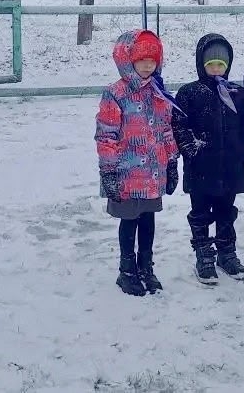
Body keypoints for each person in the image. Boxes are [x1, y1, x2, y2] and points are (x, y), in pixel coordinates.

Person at [95, 29, 180, 297]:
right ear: (127, 59)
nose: (147, 65)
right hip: (125, 174)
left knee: (148, 220)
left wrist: (171, 161)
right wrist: (108, 170)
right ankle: (127, 271)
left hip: (152, 172)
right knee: (129, 221)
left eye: (152, 60)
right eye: (141, 60)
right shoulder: (115, 94)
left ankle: (146, 267)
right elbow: (106, 135)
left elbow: (167, 129)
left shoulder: (158, 92)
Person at [173, 34, 244, 284]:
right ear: (201, 64)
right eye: (211, 64)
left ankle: (226, 252)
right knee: (200, 212)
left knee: (226, 211)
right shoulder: (190, 93)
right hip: (201, 167)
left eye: (221, 64)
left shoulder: (236, 93)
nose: (216, 69)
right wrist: (192, 149)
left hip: (230, 166)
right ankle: (203, 252)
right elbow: (179, 125)